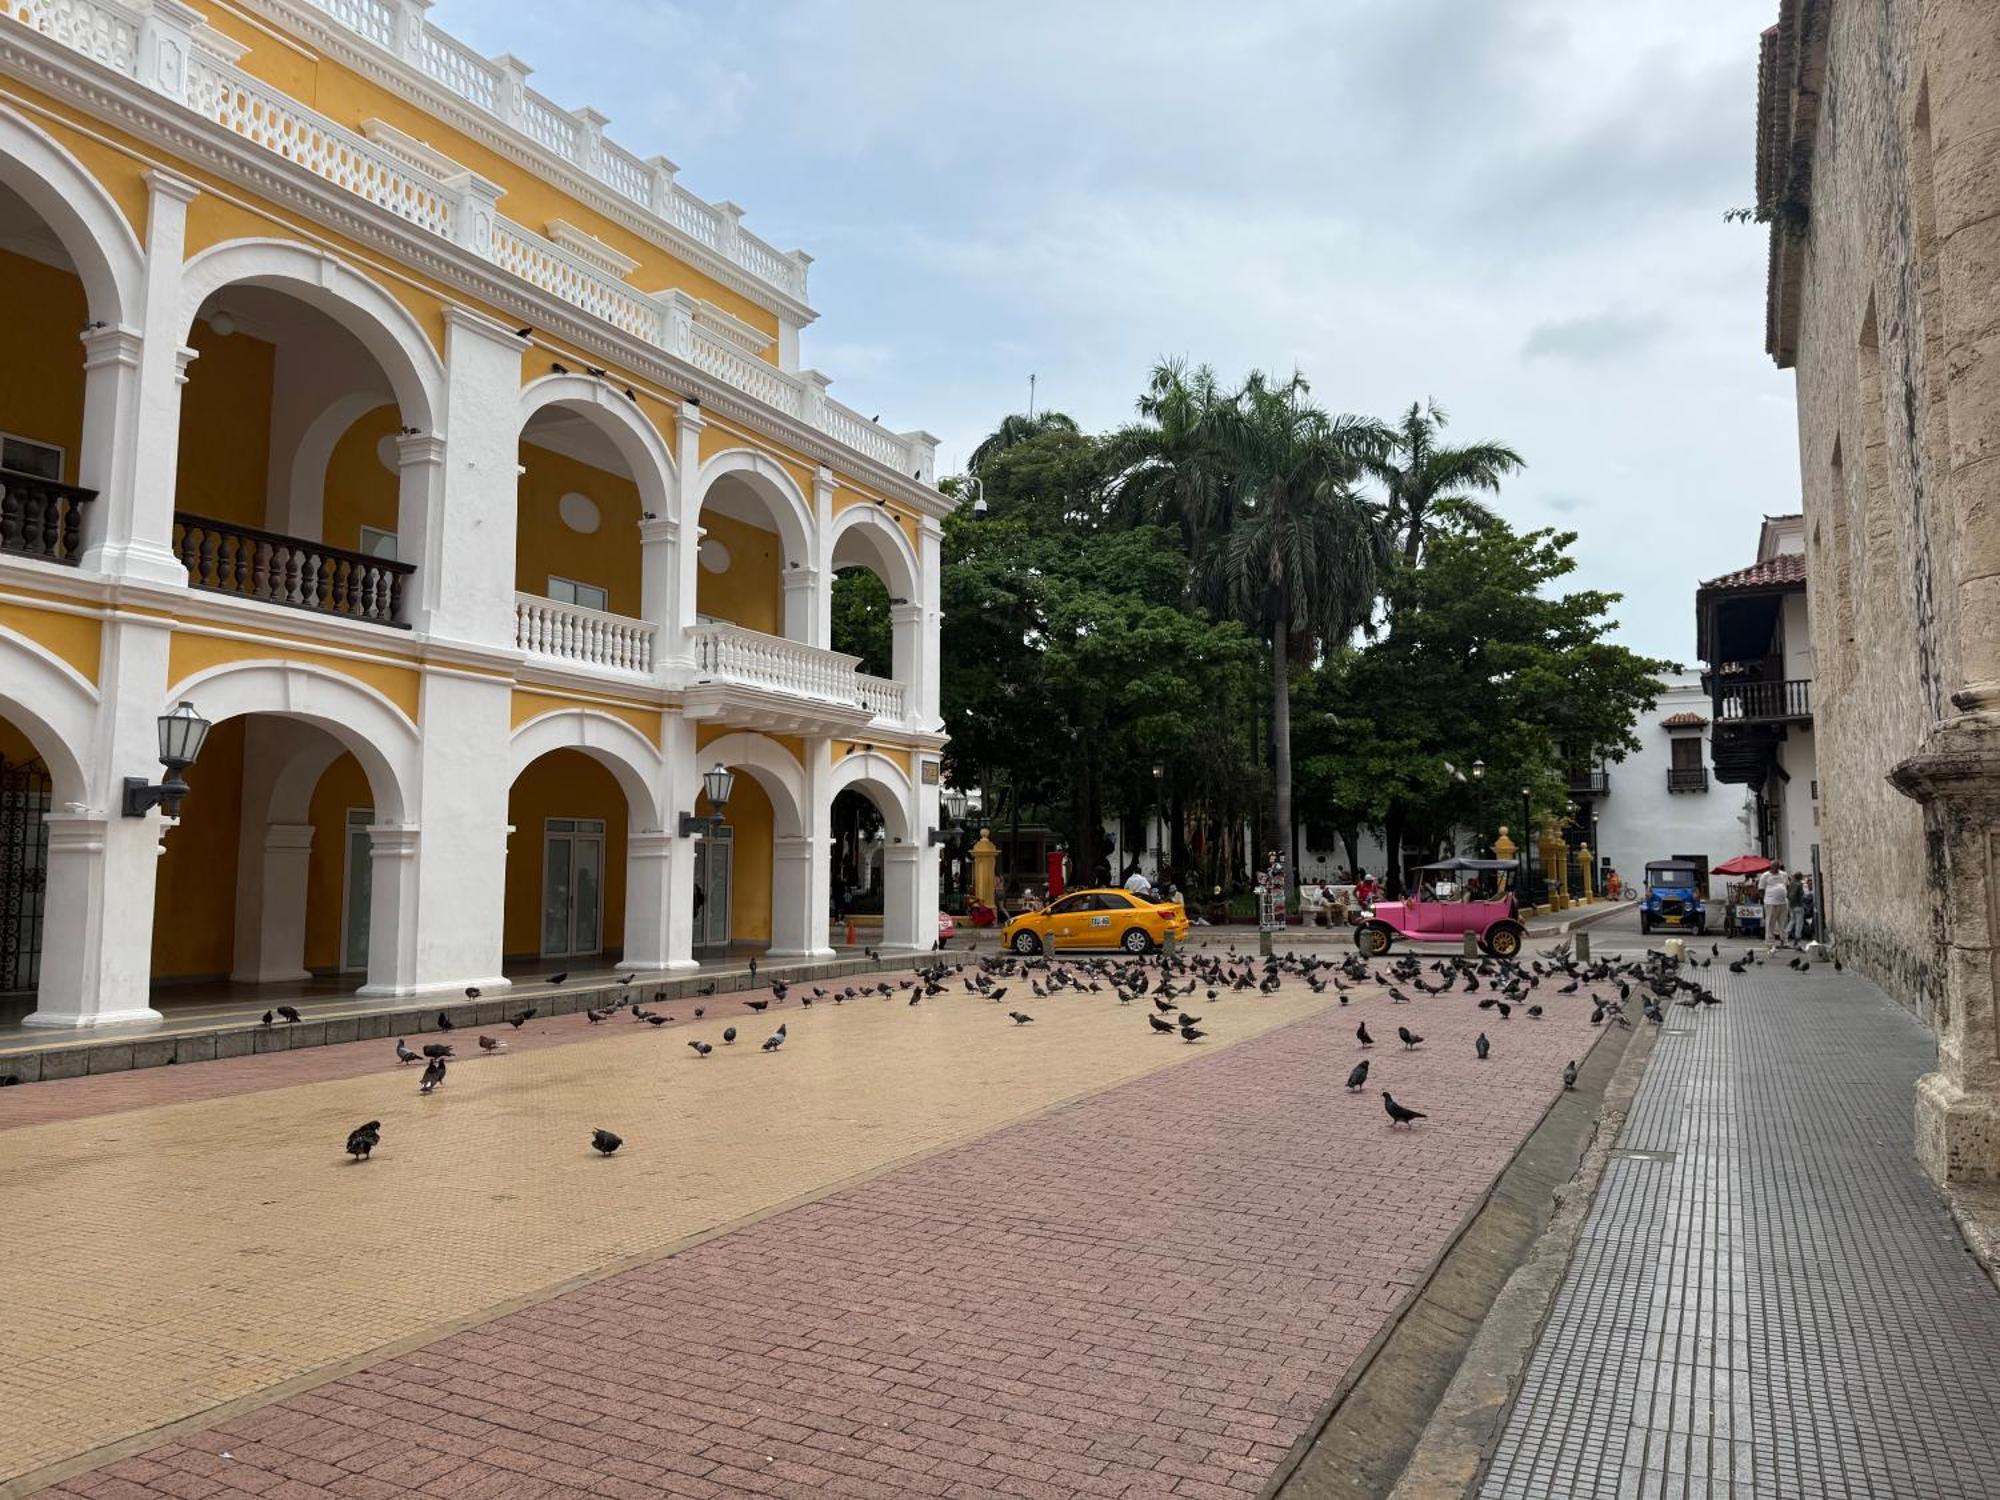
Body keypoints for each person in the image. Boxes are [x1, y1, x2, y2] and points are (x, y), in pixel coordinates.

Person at [1760, 863, 1791, 948]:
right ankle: (1770, 942)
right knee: (1770, 922)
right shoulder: (1765, 876)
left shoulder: (1784, 874)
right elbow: (1761, 889)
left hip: (1783, 902)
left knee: (1783, 922)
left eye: (1777, 867)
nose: (1776, 869)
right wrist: (1765, 900)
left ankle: (1784, 941)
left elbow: (1787, 886)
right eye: (1774, 867)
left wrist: (1784, 894)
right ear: (1770, 867)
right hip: (1770, 902)